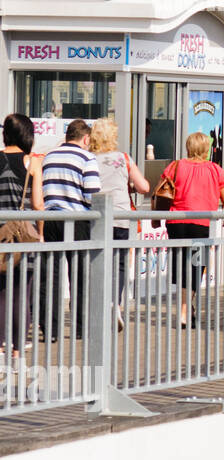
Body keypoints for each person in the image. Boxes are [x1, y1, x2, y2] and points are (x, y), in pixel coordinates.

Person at [164, 132, 224, 326]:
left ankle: (185, 308)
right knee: (196, 266)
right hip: (201, 225)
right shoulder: (215, 170)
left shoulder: (175, 166)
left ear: (188, 147)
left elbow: (162, 191)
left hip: (176, 223)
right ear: (206, 149)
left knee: (180, 265)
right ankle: (186, 309)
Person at [40, 119, 101, 340]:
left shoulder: (49, 157)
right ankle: (79, 327)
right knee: (80, 276)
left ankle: (50, 329)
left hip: (51, 218)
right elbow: (92, 195)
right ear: (85, 138)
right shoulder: (87, 158)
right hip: (77, 220)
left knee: (51, 275)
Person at [89, 119, 151, 330]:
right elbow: (143, 186)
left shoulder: (89, 159)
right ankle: (115, 304)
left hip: (97, 217)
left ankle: (99, 306)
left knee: (98, 262)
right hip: (122, 216)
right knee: (121, 263)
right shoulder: (123, 158)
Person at [0, 114, 43, 357]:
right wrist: (41, 235)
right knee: (21, 292)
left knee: (2, 292)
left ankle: (0, 344)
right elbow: (38, 204)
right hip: (23, 236)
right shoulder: (32, 162)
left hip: (0, 234)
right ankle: (17, 349)